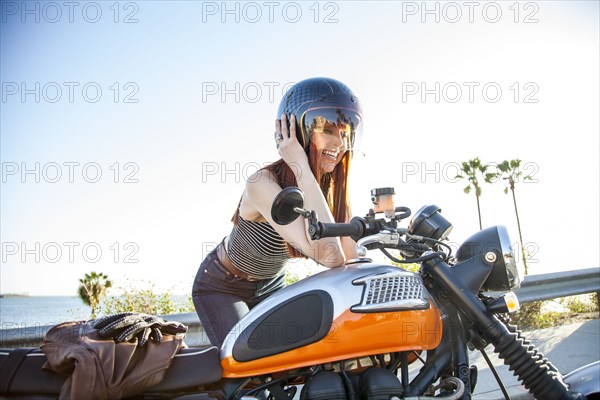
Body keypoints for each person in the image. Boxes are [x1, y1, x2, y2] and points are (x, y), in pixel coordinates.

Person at [192, 77, 363, 348]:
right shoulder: (262, 183)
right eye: (328, 130)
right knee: (244, 364)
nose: (340, 143)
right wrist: (299, 164)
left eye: (345, 133)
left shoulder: (328, 189)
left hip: (270, 284)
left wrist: (309, 178)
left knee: (289, 363)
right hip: (223, 285)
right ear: (295, 131)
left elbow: (348, 259)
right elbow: (330, 256)